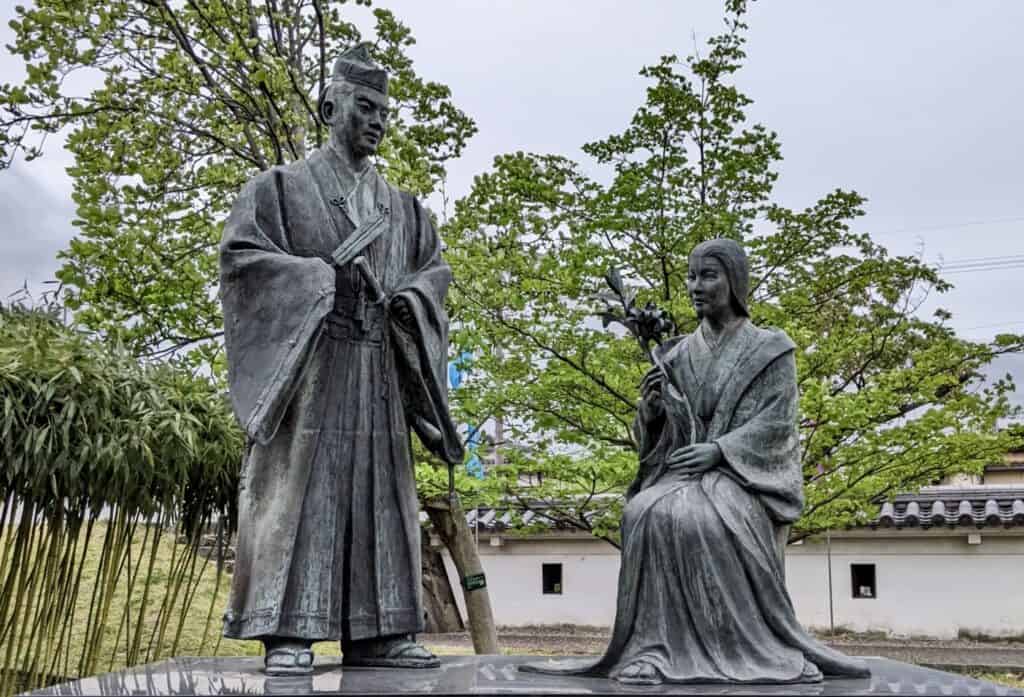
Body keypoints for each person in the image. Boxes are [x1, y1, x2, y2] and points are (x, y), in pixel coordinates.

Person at [218, 44, 463, 676]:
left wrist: (409, 298)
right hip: (313, 368)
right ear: (331, 106)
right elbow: (243, 262)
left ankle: (382, 631)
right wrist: (317, 280)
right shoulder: (278, 190)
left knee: (381, 497)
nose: (377, 120)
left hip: (380, 365)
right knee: (304, 490)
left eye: (385, 110)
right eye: (364, 106)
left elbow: (434, 276)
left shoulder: (407, 210)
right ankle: (288, 628)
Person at [527, 238, 869, 685]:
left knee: (695, 517)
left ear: (735, 280)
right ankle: (654, 648)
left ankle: (744, 646)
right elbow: (663, 437)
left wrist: (720, 450)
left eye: (708, 275)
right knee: (641, 511)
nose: (695, 285)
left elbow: (777, 425)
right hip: (684, 469)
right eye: (691, 276)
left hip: (743, 478)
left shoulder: (771, 350)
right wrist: (651, 412)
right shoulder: (677, 352)